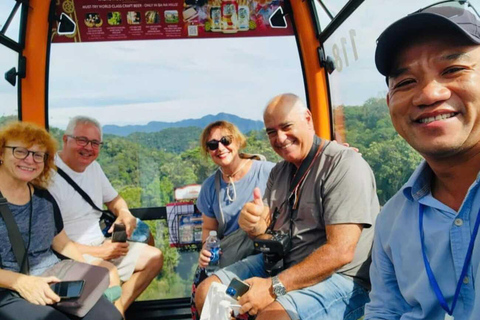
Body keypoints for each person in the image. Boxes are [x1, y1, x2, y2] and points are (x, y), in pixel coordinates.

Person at [196, 93, 379, 320]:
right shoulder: (279, 172)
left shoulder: (343, 165)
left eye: (286, 127)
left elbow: (340, 252)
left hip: (339, 278)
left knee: (273, 318)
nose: (280, 138)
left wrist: (273, 288)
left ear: (308, 119)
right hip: (282, 263)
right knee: (208, 293)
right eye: (272, 132)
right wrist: (252, 224)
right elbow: (264, 230)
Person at [365, 3, 480, 320]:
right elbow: (385, 310)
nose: (429, 94)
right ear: (390, 103)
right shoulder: (391, 221)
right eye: (405, 82)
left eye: (453, 70)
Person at [0, 121, 122, 320]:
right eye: (20, 151)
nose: (30, 160)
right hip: (7, 288)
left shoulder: (43, 199)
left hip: (53, 277)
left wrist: (88, 274)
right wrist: (21, 282)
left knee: (109, 316)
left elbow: (62, 243)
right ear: (1, 154)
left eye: (38, 155)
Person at [48, 116, 163, 314]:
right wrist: (99, 253)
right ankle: (112, 313)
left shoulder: (94, 168)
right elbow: (52, 240)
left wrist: (124, 214)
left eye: (95, 143)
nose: (88, 148)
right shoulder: (47, 176)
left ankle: (114, 312)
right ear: (66, 139)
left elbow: (114, 200)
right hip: (70, 256)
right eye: (82, 140)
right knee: (109, 275)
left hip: (102, 244)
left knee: (154, 258)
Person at [191, 120, 275, 318]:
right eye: (212, 145)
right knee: (208, 297)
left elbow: (300, 175)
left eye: (225, 140)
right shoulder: (210, 187)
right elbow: (208, 228)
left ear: (237, 142)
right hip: (230, 258)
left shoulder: (267, 171)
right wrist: (205, 247)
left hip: (264, 255)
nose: (220, 148)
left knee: (235, 301)